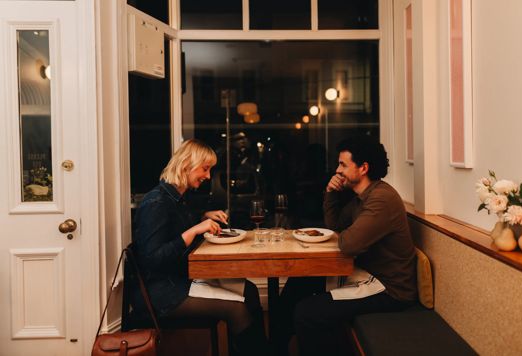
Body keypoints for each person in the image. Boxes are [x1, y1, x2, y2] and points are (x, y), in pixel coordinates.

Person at [274, 136, 417, 356]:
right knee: (297, 284)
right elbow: (335, 226)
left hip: (388, 288)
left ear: (363, 168)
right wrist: (331, 193)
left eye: (343, 164)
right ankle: (276, 350)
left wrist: (344, 233)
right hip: (364, 274)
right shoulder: (361, 197)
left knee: (306, 313)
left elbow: (348, 244)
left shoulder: (381, 199)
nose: (337, 170)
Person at [132, 139, 270, 356]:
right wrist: (194, 230)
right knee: (236, 309)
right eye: (205, 169)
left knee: (250, 290)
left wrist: (203, 217)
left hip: (181, 278)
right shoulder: (156, 202)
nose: (207, 176)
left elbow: (173, 228)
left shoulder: (176, 198)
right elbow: (153, 259)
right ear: (187, 164)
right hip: (162, 292)